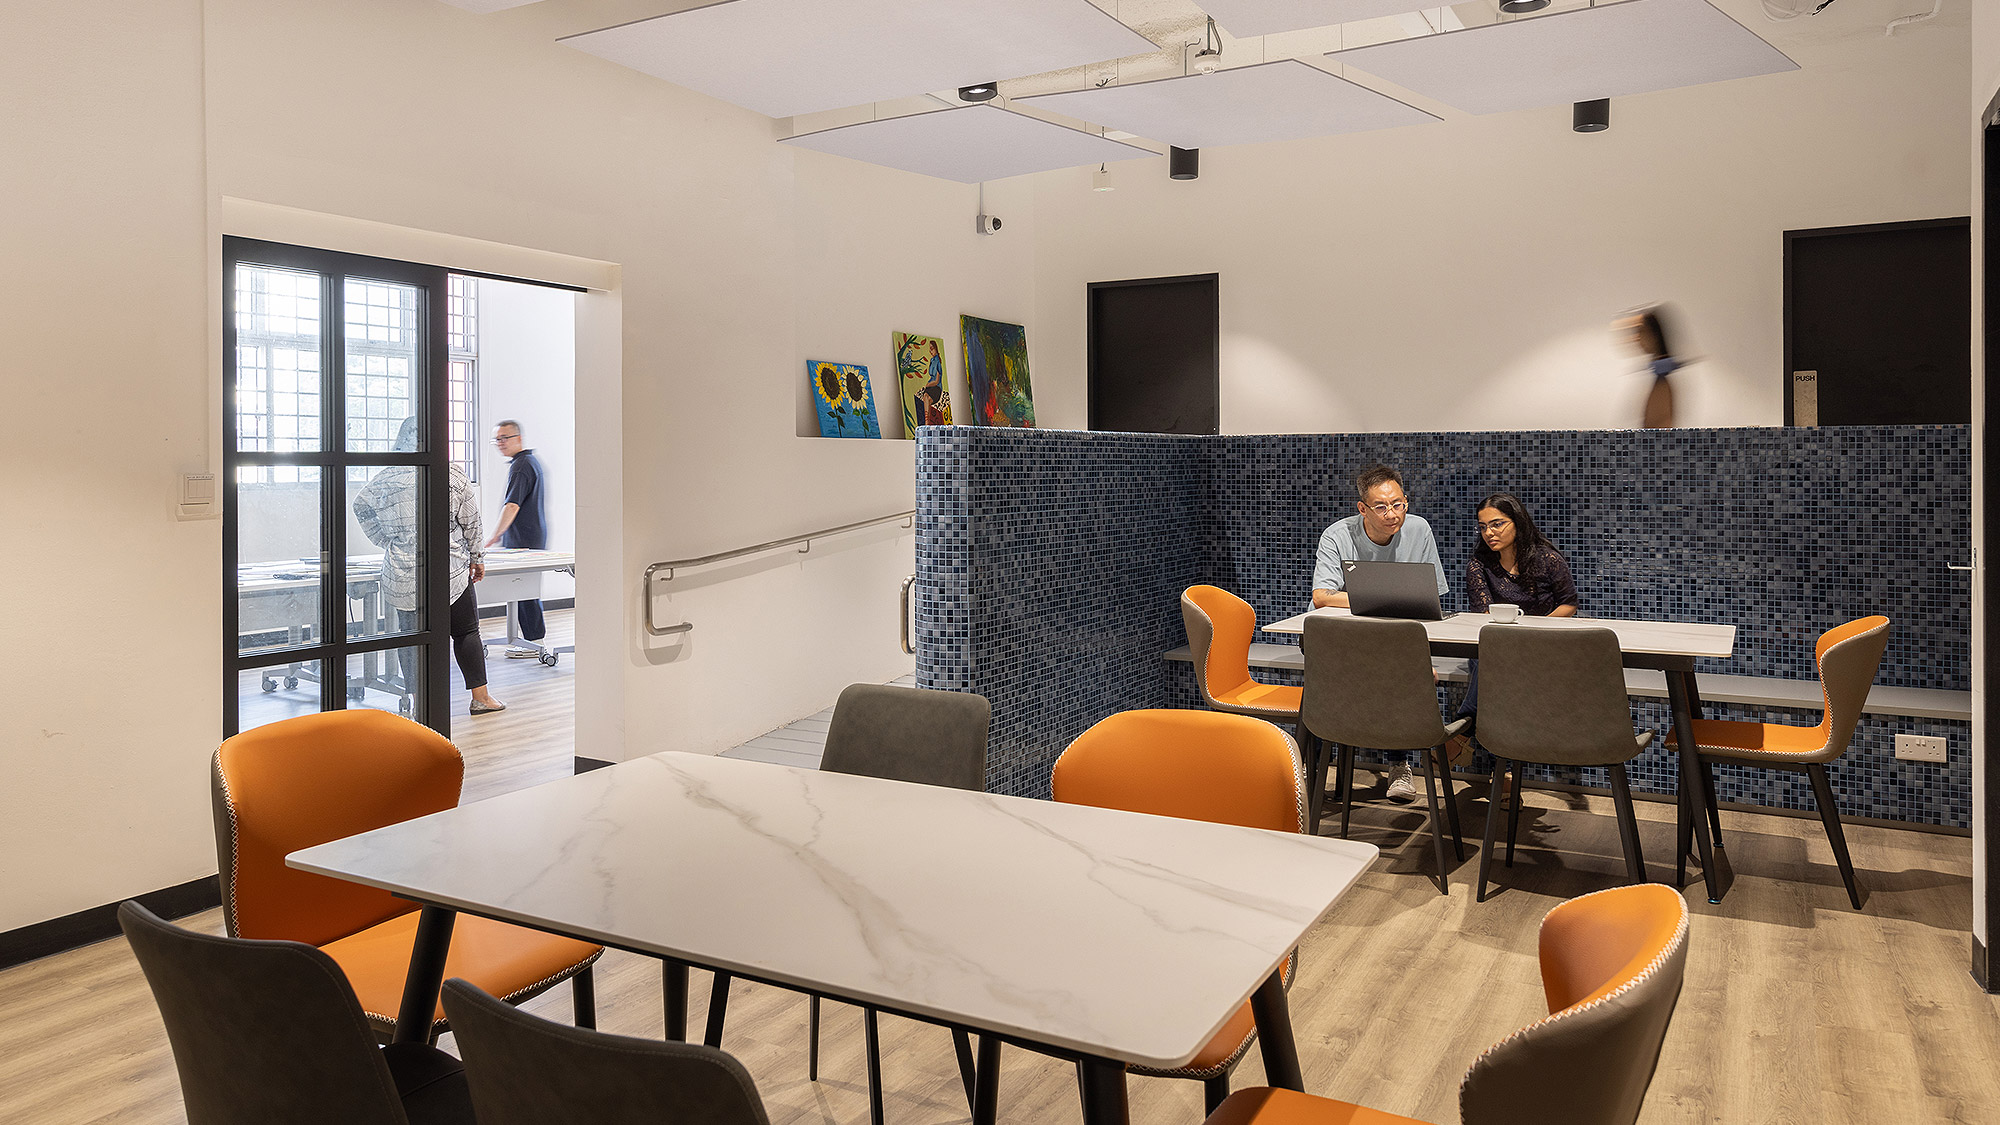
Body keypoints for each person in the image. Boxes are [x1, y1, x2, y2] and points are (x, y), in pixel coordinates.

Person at [1310, 463, 1449, 801]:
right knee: (1396, 668)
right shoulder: (1338, 535)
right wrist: (1384, 597)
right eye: (1381, 507)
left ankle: (1399, 765)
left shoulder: (1419, 529)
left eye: (1398, 504)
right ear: (1363, 508)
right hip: (1345, 635)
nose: (1393, 514)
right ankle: (1312, 771)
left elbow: (1430, 596)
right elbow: (1322, 596)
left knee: (1402, 666)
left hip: (1394, 635)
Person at [353, 417, 506, 716]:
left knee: (411, 638)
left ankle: (417, 701)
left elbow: (361, 506)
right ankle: (481, 698)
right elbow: (471, 522)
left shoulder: (386, 477)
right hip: (450, 569)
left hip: (403, 573)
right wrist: (477, 557)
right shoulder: (451, 473)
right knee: (466, 632)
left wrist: (386, 539)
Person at [1450, 492, 1580, 764]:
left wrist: (1535, 630)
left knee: (1499, 671)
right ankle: (1506, 771)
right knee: (1495, 663)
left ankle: (1463, 731)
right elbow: (1483, 612)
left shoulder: (1547, 559)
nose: (1489, 533)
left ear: (1517, 523)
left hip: (1542, 644)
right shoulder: (1479, 564)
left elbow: (1568, 604)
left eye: (1497, 524)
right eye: (1483, 526)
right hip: (1497, 645)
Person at [484, 419, 549, 656]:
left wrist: (494, 536)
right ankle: (531, 639)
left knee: (524, 591)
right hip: (527, 537)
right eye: (497, 440)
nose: (500, 443)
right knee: (522, 590)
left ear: (518, 438)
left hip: (524, 541)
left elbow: (512, 505)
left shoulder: (521, 466)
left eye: (505, 438)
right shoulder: (528, 462)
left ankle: (534, 642)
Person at [1617, 305, 1682, 429]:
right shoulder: (1656, 371)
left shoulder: (1663, 374)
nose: (1636, 338)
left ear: (1654, 334)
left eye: (1641, 331)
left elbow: (1661, 423)